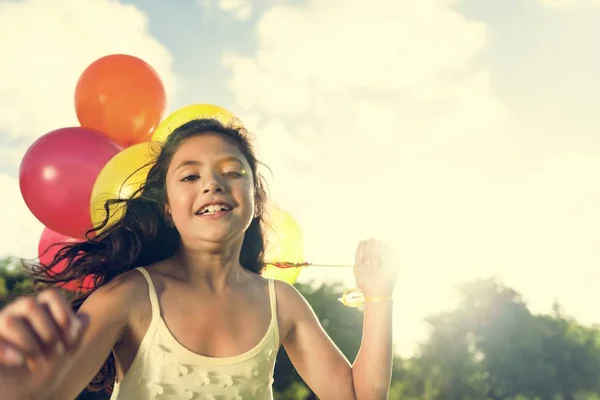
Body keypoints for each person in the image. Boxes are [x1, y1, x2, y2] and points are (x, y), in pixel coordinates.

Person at [0, 118, 398, 400]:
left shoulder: (282, 302)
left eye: (232, 172)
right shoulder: (130, 296)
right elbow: (48, 391)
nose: (213, 183)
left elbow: (360, 395)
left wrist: (379, 298)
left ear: (256, 202)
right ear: (169, 208)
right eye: (190, 176)